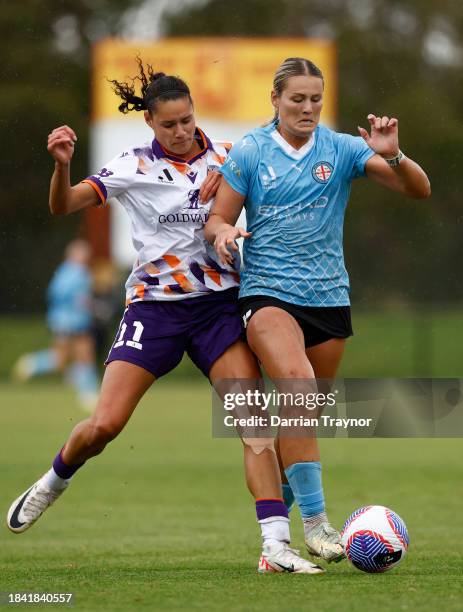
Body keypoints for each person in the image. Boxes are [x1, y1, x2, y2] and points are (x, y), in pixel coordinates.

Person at [6, 59, 324, 575]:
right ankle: (53, 480)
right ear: (150, 124)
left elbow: (278, 148)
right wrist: (62, 164)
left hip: (218, 308)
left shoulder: (229, 156)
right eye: (169, 124)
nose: (181, 132)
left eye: (187, 120)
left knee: (253, 423)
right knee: (105, 425)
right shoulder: (131, 166)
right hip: (154, 312)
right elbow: (63, 205)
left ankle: (275, 545)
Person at [205, 57, 430, 564]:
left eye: (315, 99)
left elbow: (418, 189)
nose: (307, 108)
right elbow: (219, 217)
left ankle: (274, 546)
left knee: (301, 417)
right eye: (296, 99)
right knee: (298, 386)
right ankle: (317, 524)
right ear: (275, 99)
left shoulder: (343, 148)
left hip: (329, 299)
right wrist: (223, 235)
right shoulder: (251, 151)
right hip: (267, 293)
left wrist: (394, 157)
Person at [12, 239, 99, 411]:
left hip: (66, 320)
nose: (85, 256)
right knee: (82, 355)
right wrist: (88, 306)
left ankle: (32, 364)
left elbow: (56, 295)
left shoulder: (68, 271)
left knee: (65, 359)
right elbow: (70, 297)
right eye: (81, 253)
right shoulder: (76, 272)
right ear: (73, 254)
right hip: (72, 321)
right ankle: (88, 393)